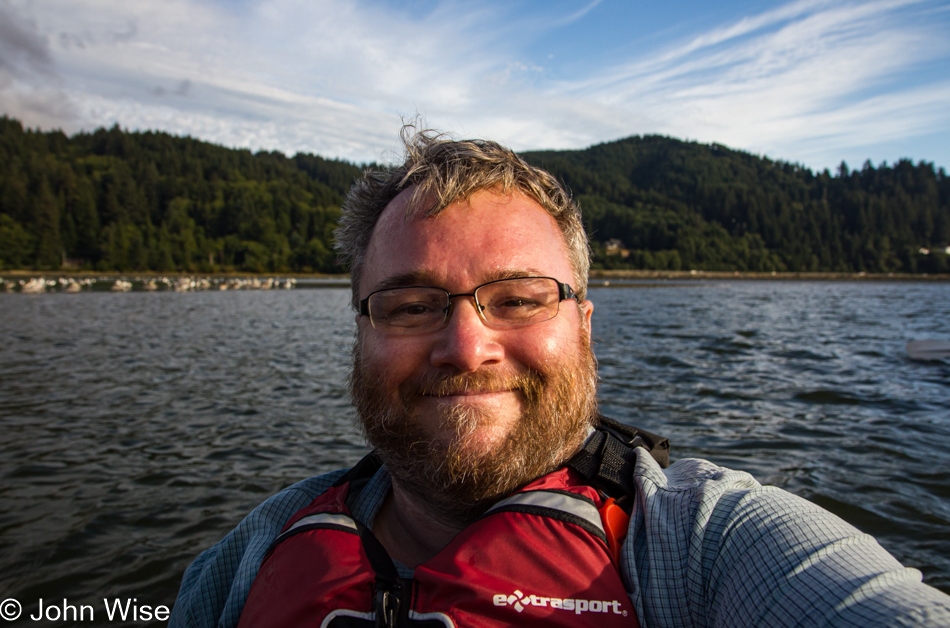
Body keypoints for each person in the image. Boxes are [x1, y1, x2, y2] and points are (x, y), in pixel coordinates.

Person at [170, 128, 950, 627]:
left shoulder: (702, 548)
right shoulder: (255, 549)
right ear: (360, 330)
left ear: (582, 321)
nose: (466, 346)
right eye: (411, 304)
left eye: (516, 299)